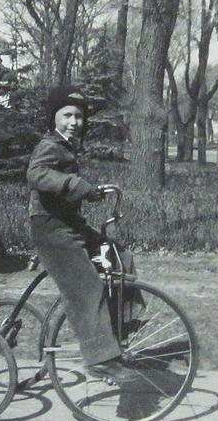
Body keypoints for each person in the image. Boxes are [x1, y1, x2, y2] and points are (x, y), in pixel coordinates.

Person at [27, 84, 140, 384]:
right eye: (67, 115)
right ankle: (100, 359)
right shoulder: (50, 145)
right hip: (50, 228)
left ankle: (118, 333)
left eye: (78, 116)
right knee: (87, 288)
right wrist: (77, 185)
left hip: (68, 223)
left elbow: (67, 182)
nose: (74, 122)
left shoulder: (66, 146)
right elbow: (36, 175)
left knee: (120, 257)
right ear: (54, 118)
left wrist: (93, 191)